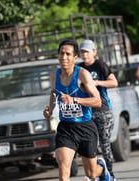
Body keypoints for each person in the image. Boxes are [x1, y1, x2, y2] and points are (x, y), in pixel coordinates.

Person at [43, 39, 112, 181]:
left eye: (68, 54)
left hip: (85, 127)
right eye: (61, 53)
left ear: (75, 58)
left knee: (91, 173)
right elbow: (53, 93)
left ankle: (103, 169)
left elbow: (97, 101)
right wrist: (50, 108)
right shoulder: (54, 75)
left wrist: (74, 100)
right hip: (66, 128)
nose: (64, 57)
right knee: (63, 170)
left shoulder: (82, 75)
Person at [78, 39, 118, 180]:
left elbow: (114, 82)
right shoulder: (79, 69)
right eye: (82, 52)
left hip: (103, 111)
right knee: (89, 145)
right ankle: (94, 173)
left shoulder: (100, 65)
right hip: (87, 112)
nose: (85, 55)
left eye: (87, 52)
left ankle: (110, 175)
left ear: (94, 52)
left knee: (104, 144)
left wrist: (96, 82)